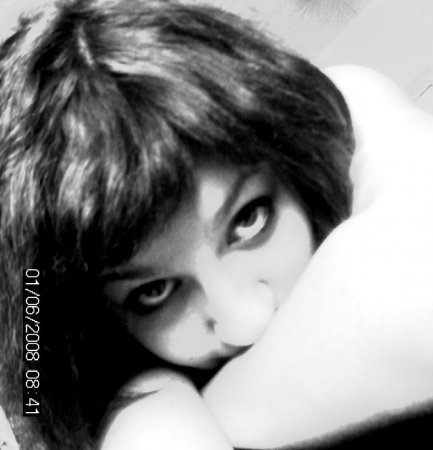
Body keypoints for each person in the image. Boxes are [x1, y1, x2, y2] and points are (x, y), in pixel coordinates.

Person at [0, 0, 354, 448]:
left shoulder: (361, 152)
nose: (246, 322)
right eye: (154, 292)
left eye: (249, 219)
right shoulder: (139, 411)